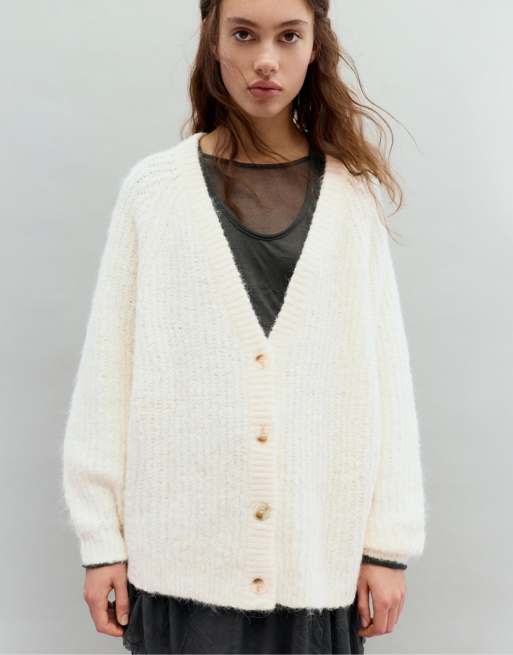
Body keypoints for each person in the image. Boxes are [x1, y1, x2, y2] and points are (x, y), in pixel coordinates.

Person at [61, 0, 427, 653]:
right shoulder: (154, 192)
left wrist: (387, 546)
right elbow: (107, 374)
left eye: (288, 36)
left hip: (314, 559)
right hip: (182, 561)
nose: (265, 60)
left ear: (315, 46)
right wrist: (100, 542)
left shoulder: (351, 196)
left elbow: (386, 377)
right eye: (243, 34)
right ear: (214, 42)